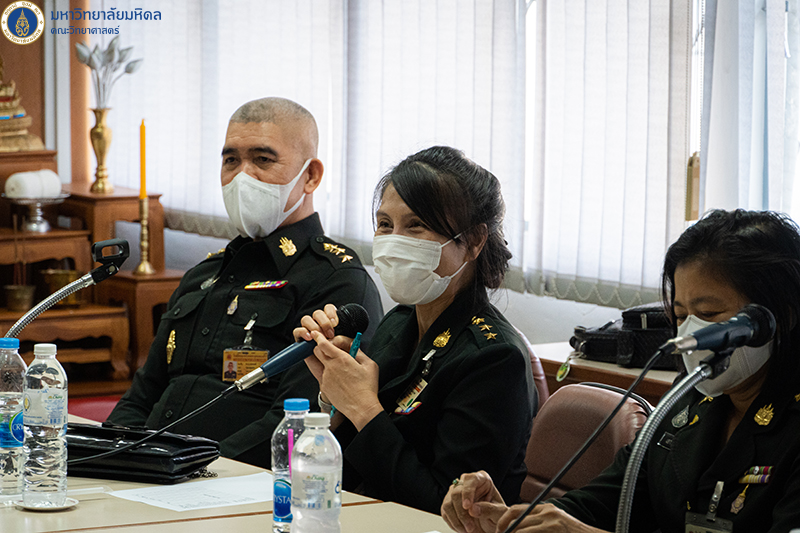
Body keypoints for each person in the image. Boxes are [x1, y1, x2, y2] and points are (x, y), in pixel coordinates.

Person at [441, 209, 800, 533]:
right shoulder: (690, 398)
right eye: (680, 316)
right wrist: (511, 519)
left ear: (781, 314)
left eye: (708, 315)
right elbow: (607, 502)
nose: (692, 336)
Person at [107, 97, 383, 468]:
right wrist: (108, 455)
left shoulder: (335, 280)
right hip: (151, 471)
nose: (242, 176)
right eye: (231, 160)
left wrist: (191, 469)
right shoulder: (203, 275)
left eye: (263, 159)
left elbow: (296, 423)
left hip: (232, 482)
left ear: (311, 176)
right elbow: (142, 395)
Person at [293, 146, 537, 514]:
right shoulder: (400, 321)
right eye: (385, 224)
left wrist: (363, 408)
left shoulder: (494, 357)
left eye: (416, 225)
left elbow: (448, 510)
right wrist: (335, 399)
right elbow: (350, 469)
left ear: (474, 241)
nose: (394, 241)